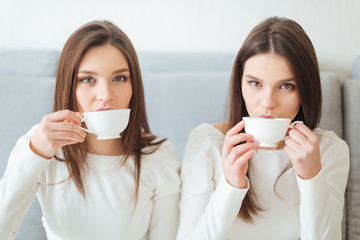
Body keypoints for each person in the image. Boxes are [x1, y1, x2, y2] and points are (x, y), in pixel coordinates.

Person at [0, 20, 180, 240]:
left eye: (119, 78)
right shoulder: (42, 145)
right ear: (69, 88)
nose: (105, 94)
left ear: (134, 87)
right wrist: (34, 153)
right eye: (87, 79)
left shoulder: (158, 156)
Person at [177, 16, 349, 240]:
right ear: (240, 83)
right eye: (255, 83)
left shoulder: (329, 151)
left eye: (286, 86)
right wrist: (230, 185)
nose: (268, 102)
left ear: (306, 90)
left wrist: (312, 178)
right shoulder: (206, 143)